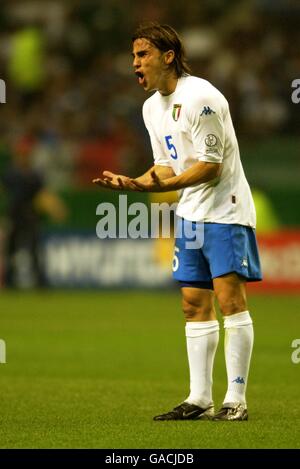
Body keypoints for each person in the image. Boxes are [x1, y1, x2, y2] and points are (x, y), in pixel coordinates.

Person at [93, 23, 262, 421]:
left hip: (225, 208)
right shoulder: (151, 107)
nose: (135, 63)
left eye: (142, 55)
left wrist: (149, 190)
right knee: (192, 304)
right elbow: (165, 167)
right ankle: (199, 398)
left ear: (168, 57)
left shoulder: (202, 97)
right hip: (190, 214)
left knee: (229, 300)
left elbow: (210, 167)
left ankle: (235, 400)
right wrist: (135, 182)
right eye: (134, 56)